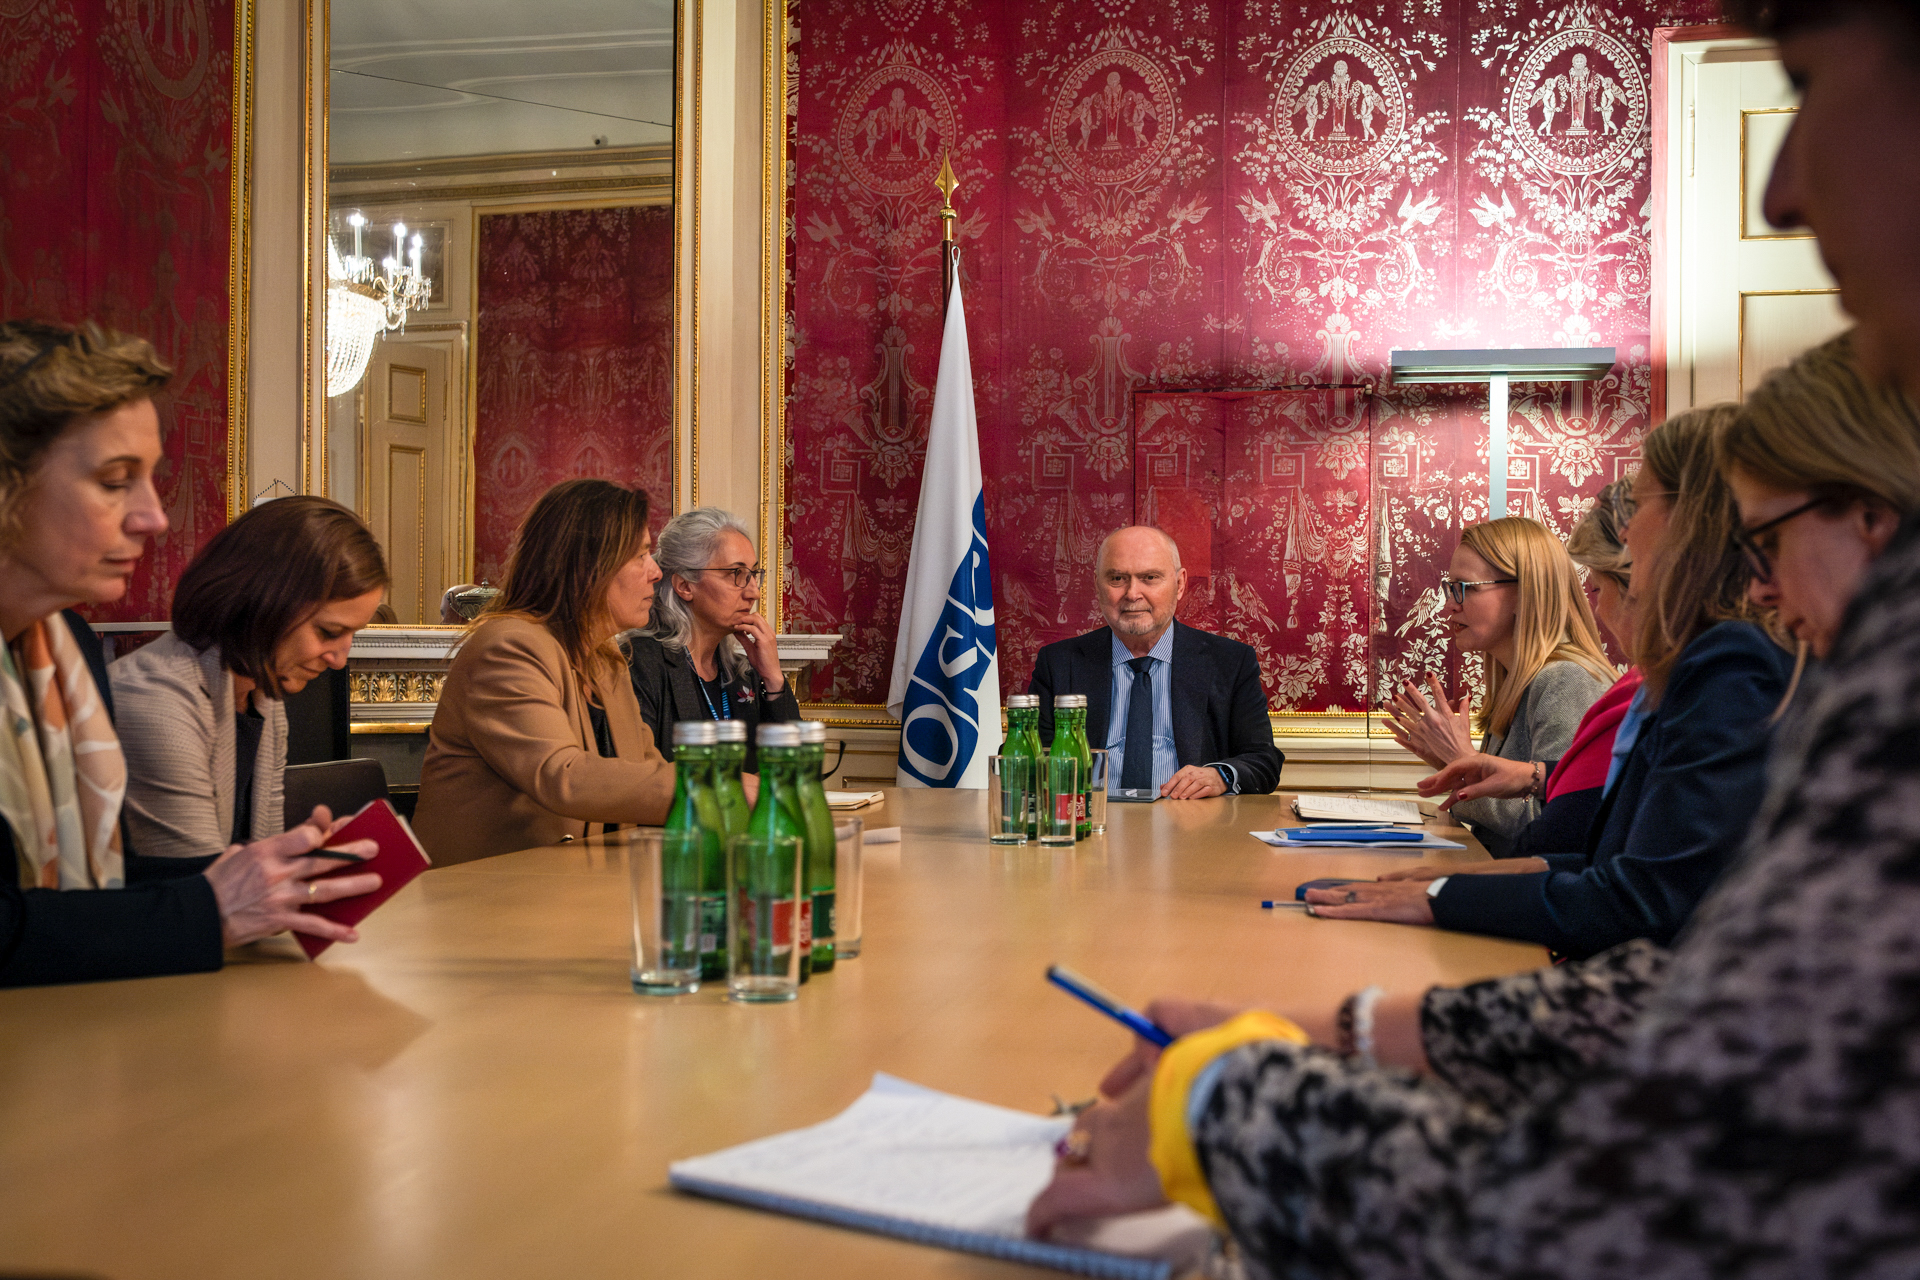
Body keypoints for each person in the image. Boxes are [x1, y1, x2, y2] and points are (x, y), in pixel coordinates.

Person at [1316, 408, 1798, 956]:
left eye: (1639, 504)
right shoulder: (1702, 666)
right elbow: (1601, 862)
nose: (1626, 530)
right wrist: (1449, 882)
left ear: (1693, 523)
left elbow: (1635, 896)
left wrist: (1445, 894)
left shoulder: (1726, 662)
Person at [0, 320, 379, 986]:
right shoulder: (148, 690)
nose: (154, 517)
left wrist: (272, 875)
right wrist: (210, 906)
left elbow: (103, 884)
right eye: (115, 480)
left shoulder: (69, 650)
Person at [413, 479, 678, 866]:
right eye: (640, 555)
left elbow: (647, 770)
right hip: (482, 890)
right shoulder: (508, 647)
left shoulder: (606, 659)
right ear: (588, 567)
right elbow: (562, 775)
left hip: (576, 884)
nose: (655, 571)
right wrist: (711, 790)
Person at [111, 496, 388, 863]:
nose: (339, 661)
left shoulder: (262, 698)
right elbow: (199, 883)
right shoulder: (157, 702)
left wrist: (303, 858)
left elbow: (249, 865)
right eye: (328, 632)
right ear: (262, 602)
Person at [1383, 517, 1614, 856]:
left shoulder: (1566, 678)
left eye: (1466, 588)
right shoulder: (1516, 680)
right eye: (1450, 588)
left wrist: (1460, 761)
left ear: (1525, 593)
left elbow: (1555, 829)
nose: (1450, 605)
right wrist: (1455, 766)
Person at [1028, 526, 1281, 798]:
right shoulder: (1058, 664)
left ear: (1180, 584)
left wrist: (1220, 775)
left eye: (1149, 578)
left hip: (1191, 819)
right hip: (1093, 818)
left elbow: (1263, 760)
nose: (1132, 593)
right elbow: (1031, 760)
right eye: (1117, 578)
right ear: (1097, 586)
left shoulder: (1230, 662)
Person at [627, 506, 799, 774]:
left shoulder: (743, 672)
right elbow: (636, 778)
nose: (753, 592)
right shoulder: (639, 664)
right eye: (736, 574)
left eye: (753, 574)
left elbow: (794, 770)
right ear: (685, 586)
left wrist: (773, 679)